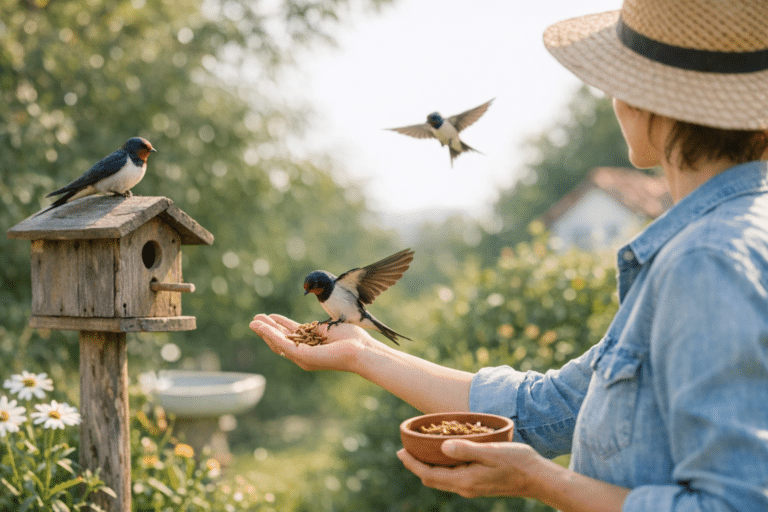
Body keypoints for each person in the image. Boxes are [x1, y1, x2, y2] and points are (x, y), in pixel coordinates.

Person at [251, 0, 768, 509]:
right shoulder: (715, 240)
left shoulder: (707, 260)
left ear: (647, 101)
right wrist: (365, 353)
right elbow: (552, 407)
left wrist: (543, 483)